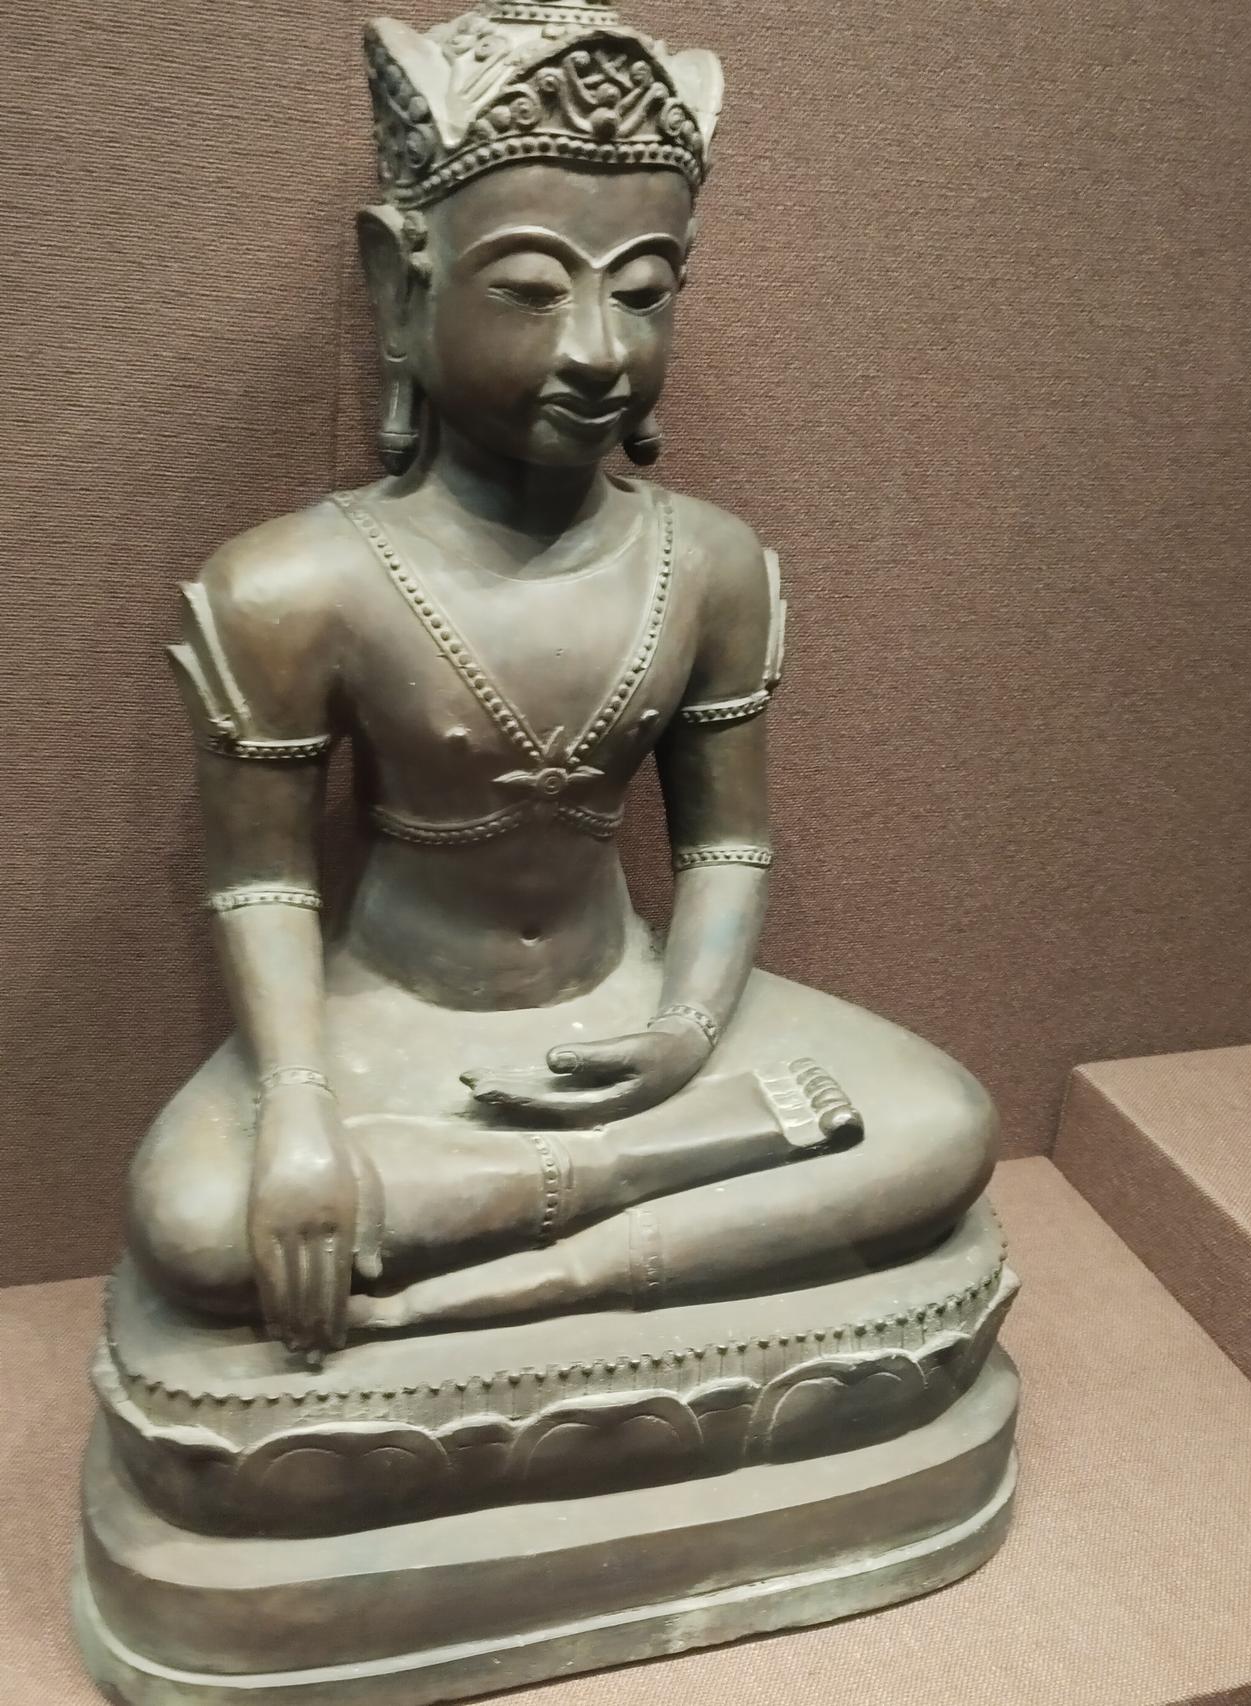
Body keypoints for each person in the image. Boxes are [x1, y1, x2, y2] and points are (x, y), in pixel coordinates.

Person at [127, 0, 997, 1361]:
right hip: (389, 1029)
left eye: (641, 293)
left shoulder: (709, 561)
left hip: (635, 1019)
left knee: (944, 1124)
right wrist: (297, 1109)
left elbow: (728, 844)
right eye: (531, 290)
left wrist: (685, 1030)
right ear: (401, 285)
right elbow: (262, 881)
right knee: (194, 1221)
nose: (597, 347)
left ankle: (523, 1277)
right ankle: (649, 1197)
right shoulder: (290, 585)